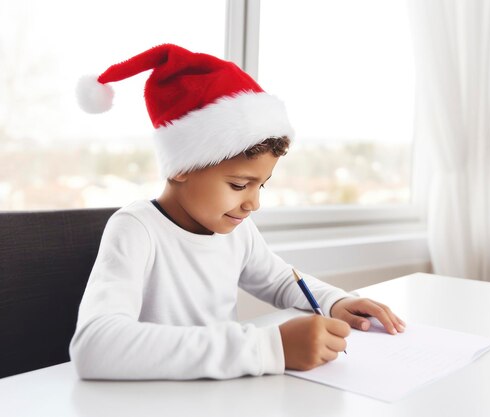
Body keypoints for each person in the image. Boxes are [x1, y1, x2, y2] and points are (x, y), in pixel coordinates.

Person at [70, 44, 405, 380]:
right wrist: (266, 348)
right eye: (238, 185)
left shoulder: (236, 230)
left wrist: (335, 301)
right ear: (181, 167)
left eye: (262, 186)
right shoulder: (136, 229)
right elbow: (94, 346)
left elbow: (278, 280)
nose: (253, 204)